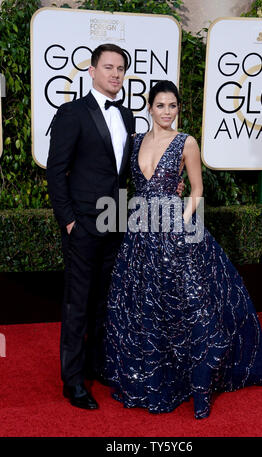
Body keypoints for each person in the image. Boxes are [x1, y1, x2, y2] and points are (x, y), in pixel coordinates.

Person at [101, 80, 262, 419]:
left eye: (173, 106)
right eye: (161, 105)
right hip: (139, 234)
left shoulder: (186, 142)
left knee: (191, 310)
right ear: (149, 107)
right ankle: (150, 379)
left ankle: (199, 385)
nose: (167, 112)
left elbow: (196, 190)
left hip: (177, 235)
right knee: (143, 309)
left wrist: (180, 219)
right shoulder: (135, 141)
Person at [46, 43, 135, 410]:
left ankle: (96, 364)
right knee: (77, 303)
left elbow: (124, 173)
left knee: (103, 302)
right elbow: (56, 171)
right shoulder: (72, 112)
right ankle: (72, 381)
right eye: (108, 67)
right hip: (81, 224)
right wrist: (68, 220)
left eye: (120, 69)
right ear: (93, 71)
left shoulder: (128, 116)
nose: (115, 74)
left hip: (115, 221)